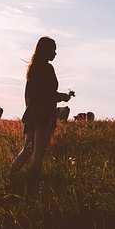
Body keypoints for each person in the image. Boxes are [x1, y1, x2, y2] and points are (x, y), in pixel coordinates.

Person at [10, 36, 74, 178]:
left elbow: (30, 94)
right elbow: (48, 94)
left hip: (32, 114)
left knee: (27, 150)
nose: (55, 53)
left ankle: (10, 177)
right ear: (46, 50)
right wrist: (64, 97)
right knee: (38, 154)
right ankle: (32, 186)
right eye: (53, 50)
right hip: (43, 116)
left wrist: (30, 109)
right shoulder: (47, 68)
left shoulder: (33, 68)